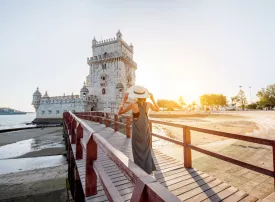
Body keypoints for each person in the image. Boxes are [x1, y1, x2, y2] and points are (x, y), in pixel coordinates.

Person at [118, 85, 160, 174]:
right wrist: (152, 99)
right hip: (146, 131)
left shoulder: (133, 105)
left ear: (136, 96)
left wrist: (124, 101)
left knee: (137, 151)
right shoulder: (148, 104)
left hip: (137, 131)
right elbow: (157, 110)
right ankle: (148, 169)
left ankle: (140, 171)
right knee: (146, 150)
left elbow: (120, 112)